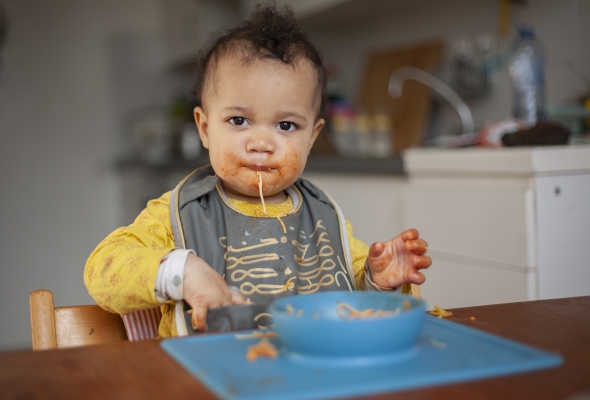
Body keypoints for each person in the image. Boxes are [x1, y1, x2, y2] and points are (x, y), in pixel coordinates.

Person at [84, 3, 431, 337]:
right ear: (205, 128)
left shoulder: (321, 216)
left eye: (286, 125)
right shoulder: (177, 214)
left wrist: (376, 279)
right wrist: (184, 272)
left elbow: (354, 296)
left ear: (313, 137)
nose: (262, 142)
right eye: (239, 120)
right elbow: (103, 269)